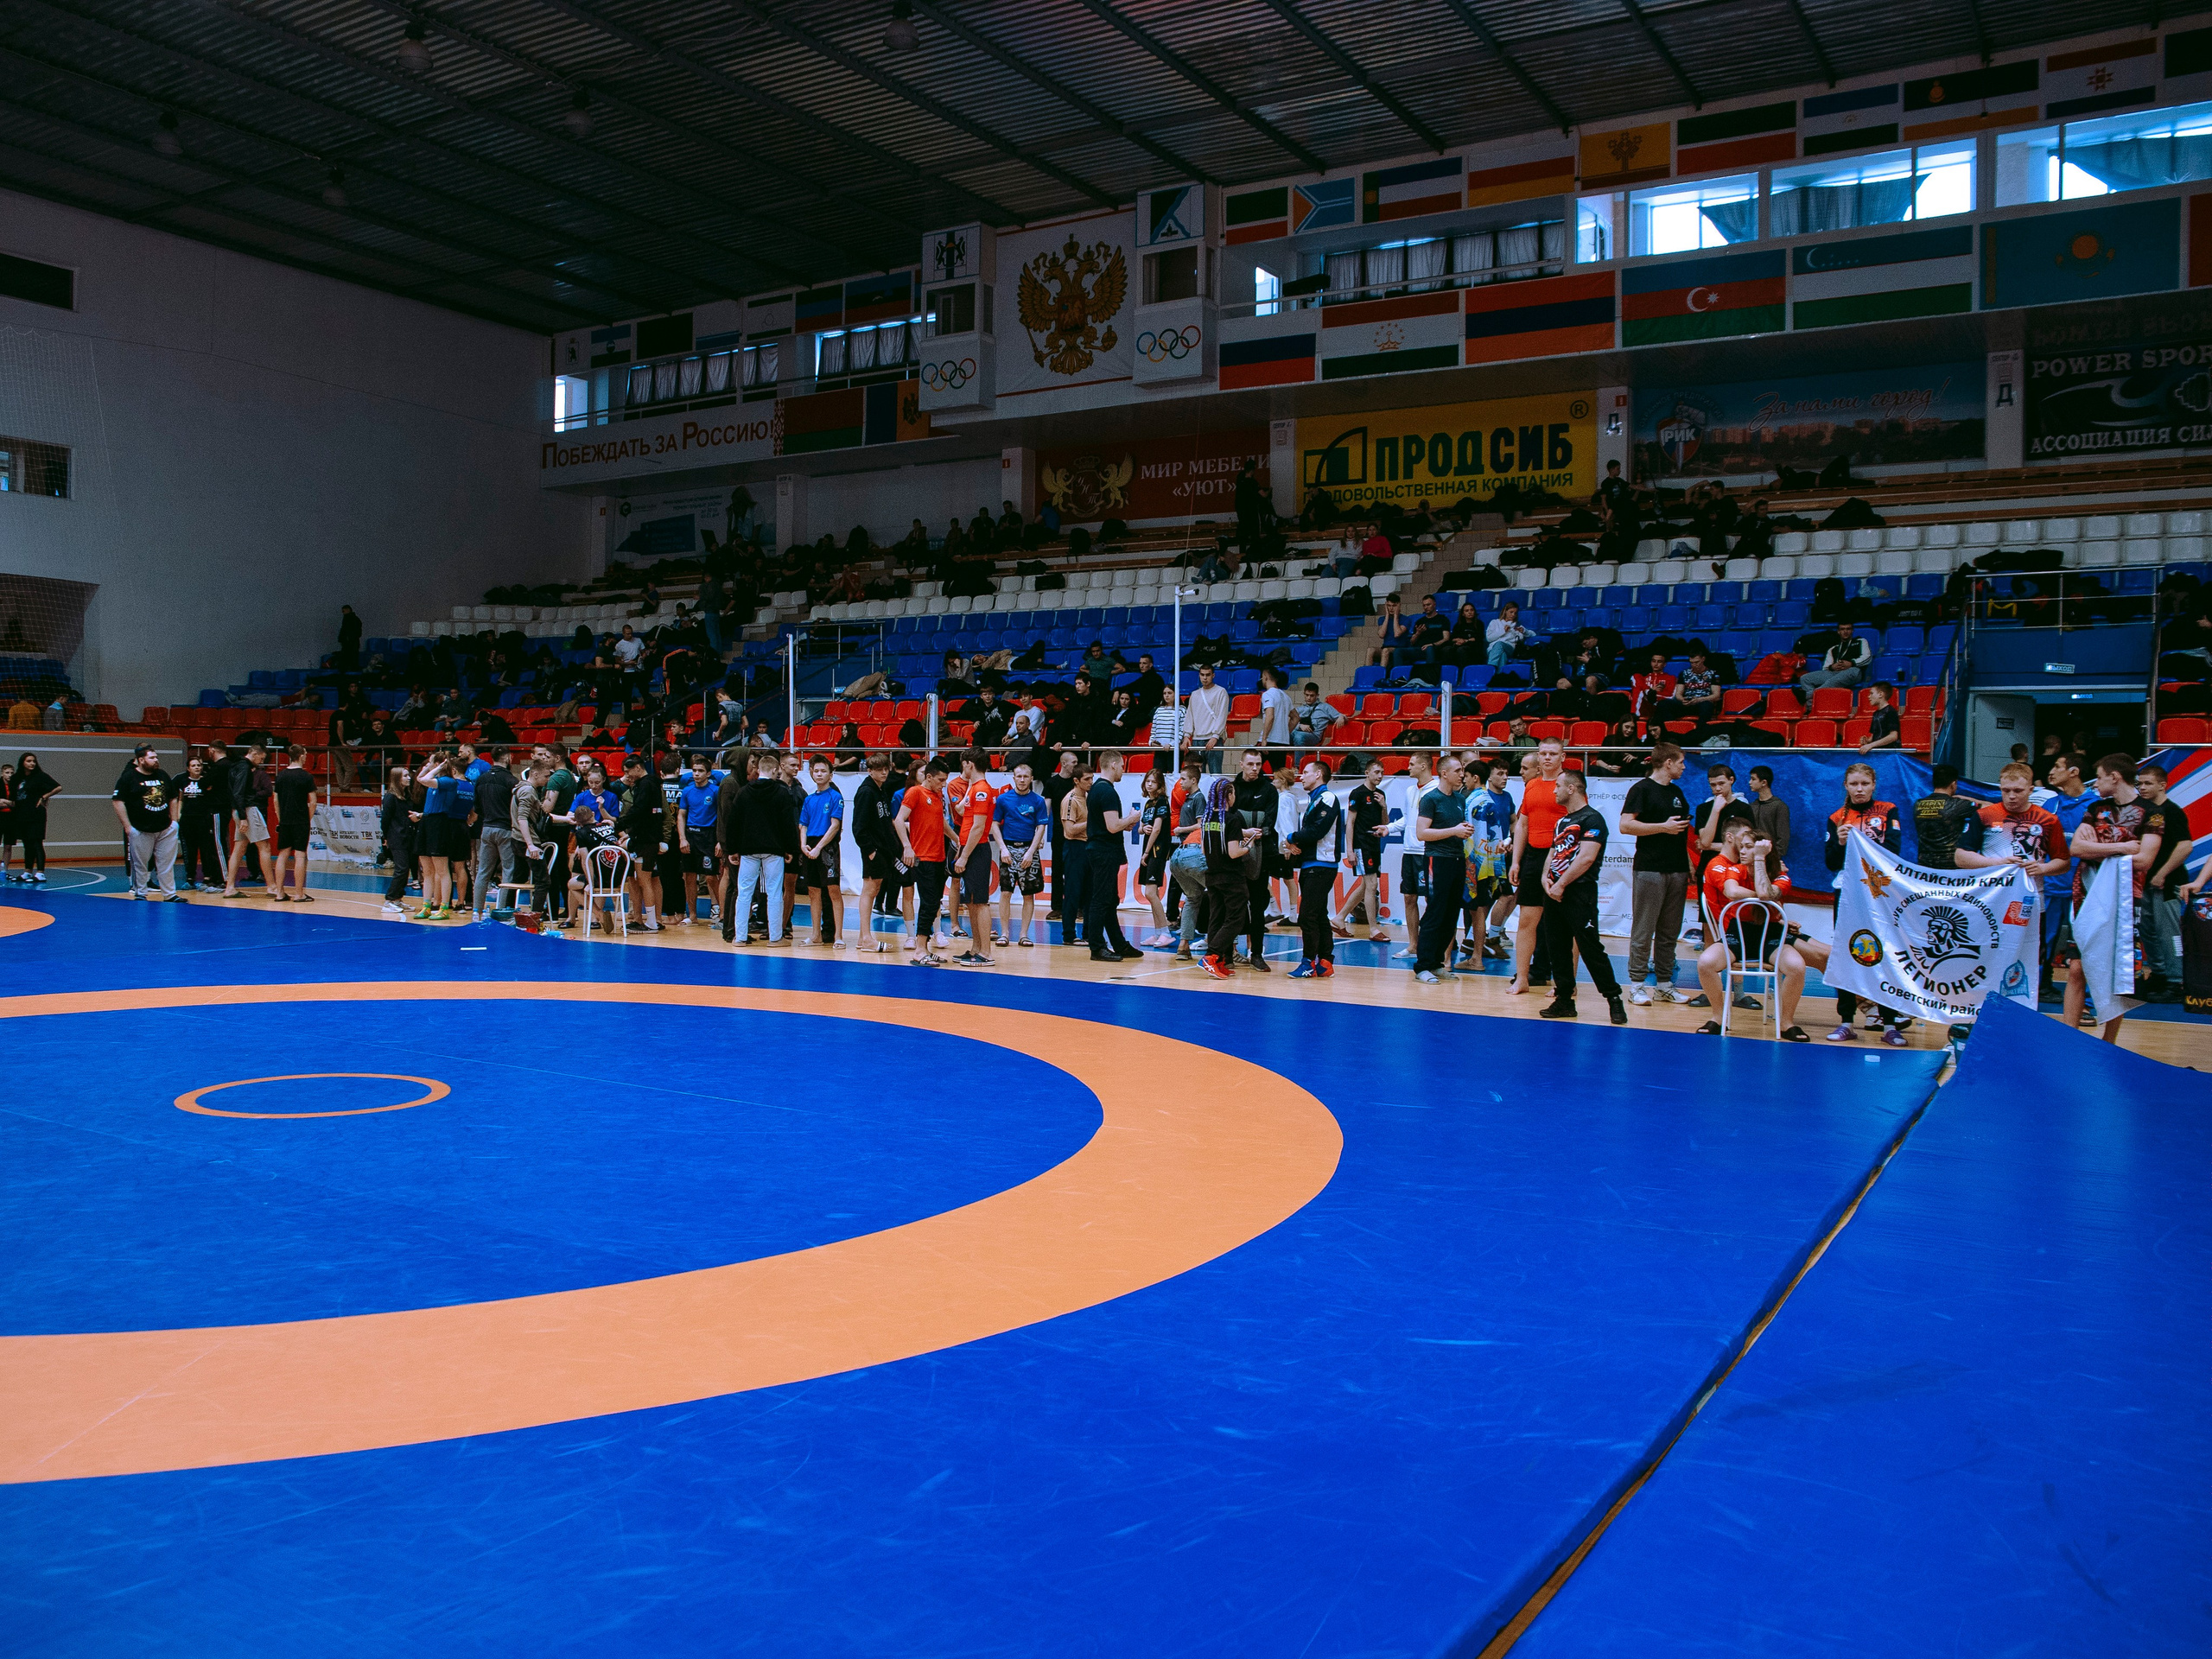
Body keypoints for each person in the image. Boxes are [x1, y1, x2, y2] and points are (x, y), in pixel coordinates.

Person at [2063, 754, 2161, 1041]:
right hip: (2085, 895)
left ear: (2115, 777)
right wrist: (2123, 847)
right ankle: (2070, 1038)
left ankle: (2109, 1041)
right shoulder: (2095, 809)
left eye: (2100, 775)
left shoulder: (2151, 813)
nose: (2096, 782)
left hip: (2125, 901)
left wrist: (2104, 849)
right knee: (2076, 967)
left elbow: (2143, 859)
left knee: (2114, 972)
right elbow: (2078, 848)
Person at [1691, 817, 1812, 1041]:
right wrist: (1766, 901)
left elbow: (1767, 892)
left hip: (1771, 937)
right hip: (1739, 935)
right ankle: (1719, 1018)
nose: (1742, 851)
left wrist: (1759, 862)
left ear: (1764, 853)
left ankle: (1787, 1024)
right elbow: (1732, 892)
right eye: (1742, 846)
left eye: (1749, 848)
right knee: (1706, 963)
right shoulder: (1734, 870)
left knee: (1797, 967)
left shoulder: (1781, 875)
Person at [1822, 761, 1909, 1045]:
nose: (1859, 789)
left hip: (1880, 894)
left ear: (1874, 785)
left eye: (1865, 784)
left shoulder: (1888, 811)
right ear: (1845, 787)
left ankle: (1890, 1024)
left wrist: (1863, 841)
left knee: (1886, 954)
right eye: (1854, 784)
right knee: (1847, 954)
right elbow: (1831, 863)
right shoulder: (1837, 817)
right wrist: (1839, 843)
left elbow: (1894, 851)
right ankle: (1846, 1021)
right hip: (1847, 895)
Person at [1536, 767, 1628, 1022]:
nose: (1554, 791)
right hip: (1554, 892)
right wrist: (1546, 878)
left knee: (1590, 948)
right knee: (1557, 947)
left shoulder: (1592, 819)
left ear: (1571, 788)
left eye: (1557, 786)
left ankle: (1614, 999)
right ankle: (1564, 1000)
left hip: (1579, 892)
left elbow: (1586, 858)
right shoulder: (1562, 821)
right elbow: (1554, 852)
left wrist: (1562, 884)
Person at [1619, 741, 1693, 1004]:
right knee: (1643, 929)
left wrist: (1689, 864)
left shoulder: (1677, 792)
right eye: (1681, 761)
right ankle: (1637, 985)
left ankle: (1664, 984)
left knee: (1669, 932)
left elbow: (1681, 831)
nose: (1684, 766)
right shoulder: (1641, 789)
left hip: (1677, 869)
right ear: (1668, 762)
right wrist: (1662, 827)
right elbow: (1625, 825)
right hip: (1649, 868)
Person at [2031, 751, 2098, 1001]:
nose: (2051, 772)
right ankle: (2040, 986)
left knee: (2086, 940)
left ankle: (2091, 997)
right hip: (2051, 883)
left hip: (2084, 886)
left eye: (2058, 766)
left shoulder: (2094, 805)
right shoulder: (2051, 804)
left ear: (2074, 772)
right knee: (2042, 939)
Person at [1506, 737, 1567, 994]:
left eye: (1553, 754)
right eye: (1543, 754)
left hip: (1561, 859)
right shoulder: (1531, 785)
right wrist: (1516, 861)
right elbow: (1522, 824)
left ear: (1563, 757)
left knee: (1561, 923)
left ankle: (1565, 982)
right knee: (1527, 921)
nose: (1547, 758)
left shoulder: (1570, 785)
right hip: (1533, 855)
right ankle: (1522, 978)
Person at [721, 752, 799, 947]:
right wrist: (791, 848)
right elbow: (788, 824)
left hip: (748, 850)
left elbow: (733, 823)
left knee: (744, 893)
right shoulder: (782, 793)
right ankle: (775, 938)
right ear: (775, 770)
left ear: (759, 770)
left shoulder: (744, 792)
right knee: (774, 893)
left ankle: (739, 938)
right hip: (774, 850)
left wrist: (732, 849)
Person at [2133, 762, 2192, 1002]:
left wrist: (2163, 873)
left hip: (2167, 883)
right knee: (2148, 931)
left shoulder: (2172, 811)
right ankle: (2159, 973)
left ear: (2162, 785)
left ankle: (2176, 981)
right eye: (2140, 783)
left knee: (2169, 932)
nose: (2143, 788)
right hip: (2144, 882)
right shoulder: (2144, 812)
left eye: (2148, 783)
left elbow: (2185, 846)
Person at [1413, 755, 1474, 983]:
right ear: (1444, 773)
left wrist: (1463, 830)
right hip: (1436, 860)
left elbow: (1456, 829)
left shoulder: (1459, 799)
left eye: (1462, 770)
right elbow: (1422, 833)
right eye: (1458, 770)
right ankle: (1422, 966)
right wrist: (1454, 830)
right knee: (1435, 912)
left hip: (1457, 860)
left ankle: (1437, 963)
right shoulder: (1431, 799)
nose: (1461, 774)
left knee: (1451, 915)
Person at [1285, 758, 1347, 979]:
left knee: (1308, 916)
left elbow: (1317, 831)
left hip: (1321, 865)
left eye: (1306, 772)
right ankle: (1326, 961)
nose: (1302, 776)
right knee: (1319, 914)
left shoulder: (1328, 798)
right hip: (1313, 864)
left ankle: (1308, 962)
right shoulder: (1315, 799)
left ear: (1319, 774)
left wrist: (1292, 837)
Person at [1081, 751, 1142, 962]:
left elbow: (1109, 825)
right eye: (1123, 766)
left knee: (1109, 899)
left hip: (1101, 849)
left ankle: (1119, 944)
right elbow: (1113, 826)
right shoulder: (1106, 792)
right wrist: (1132, 818)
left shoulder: (1098, 789)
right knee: (1101, 899)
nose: (1124, 771)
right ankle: (1097, 947)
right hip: (1104, 852)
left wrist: (1124, 824)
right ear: (1114, 764)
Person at [1199, 771, 1261, 979]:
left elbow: (1204, 849)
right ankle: (1212, 955)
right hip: (1231, 877)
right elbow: (1234, 852)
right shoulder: (1232, 819)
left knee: (1216, 918)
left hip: (1213, 875)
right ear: (1229, 796)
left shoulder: (1208, 819)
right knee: (1236, 919)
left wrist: (1242, 833)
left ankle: (1219, 961)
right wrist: (1249, 844)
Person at [1225, 747, 1280, 968]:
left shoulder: (1269, 790)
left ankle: (1256, 953)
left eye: (1258, 764)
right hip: (1233, 856)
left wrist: (1244, 823)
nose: (1255, 768)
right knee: (1233, 907)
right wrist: (1247, 827)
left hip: (1261, 856)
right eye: (1250, 764)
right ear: (1241, 764)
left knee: (1258, 908)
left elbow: (1268, 823)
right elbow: (1228, 819)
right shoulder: (1232, 789)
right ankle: (1229, 953)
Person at [894, 756, 951, 963]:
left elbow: (941, 822)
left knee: (934, 903)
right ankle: (919, 950)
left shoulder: (937, 795)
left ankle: (924, 948)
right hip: (923, 857)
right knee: (928, 904)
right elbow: (899, 820)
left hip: (938, 856)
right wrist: (907, 847)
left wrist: (956, 839)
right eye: (940, 780)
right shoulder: (915, 792)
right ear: (929, 777)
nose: (943, 784)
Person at [989, 760, 1051, 949]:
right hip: (1008, 849)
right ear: (1013, 777)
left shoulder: (1038, 801)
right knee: (1005, 892)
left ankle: (1024, 934)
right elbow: (994, 824)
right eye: (1019, 776)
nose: (1022, 780)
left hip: (1028, 850)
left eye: (1026, 777)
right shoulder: (1003, 799)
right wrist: (1003, 848)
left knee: (1028, 895)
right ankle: (1005, 933)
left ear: (1031, 779)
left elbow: (1041, 827)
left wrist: (1031, 852)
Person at [111, 742, 182, 901]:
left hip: (165, 828)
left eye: (156, 757)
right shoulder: (129, 777)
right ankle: (141, 893)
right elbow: (117, 801)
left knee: (166, 864)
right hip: (141, 829)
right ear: (141, 760)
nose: (156, 760)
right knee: (140, 865)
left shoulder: (162, 775)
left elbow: (173, 797)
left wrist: (174, 822)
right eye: (152, 758)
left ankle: (170, 894)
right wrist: (128, 827)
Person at [949, 749, 997, 965]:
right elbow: (960, 813)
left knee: (980, 902)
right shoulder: (974, 789)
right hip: (969, 847)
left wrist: (964, 857)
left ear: (969, 764)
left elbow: (978, 828)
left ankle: (986, 952)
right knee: (971, 902)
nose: (962, 770)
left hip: (977, 849)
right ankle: (976, 947)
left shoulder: (982, 791)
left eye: (963, 765)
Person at [1334, 759, 1389, 940]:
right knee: (1372, 885)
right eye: (1376, 772)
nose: (1379, 776)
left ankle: (1339, 918)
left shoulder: (1380, 794)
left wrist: (1384, 807)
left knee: (1366, 885)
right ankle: (1374, 929)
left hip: (1375, 844)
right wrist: (1349, 850)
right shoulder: (1357, 793)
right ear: (1367, 773)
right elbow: (1349, 823)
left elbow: (1385, 823)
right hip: (1361, 844)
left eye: (1381, 772)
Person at [797, 755, 844, 945]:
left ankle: (838, 936)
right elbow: (803, 824)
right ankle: (816, 934)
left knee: (833, 890)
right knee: (813, 891)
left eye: (823, 771)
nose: (819, 774)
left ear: (831, 775)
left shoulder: (835, 796)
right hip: (810, 845)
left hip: (827, 847)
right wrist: (803, 845)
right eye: (816, 771)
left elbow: (834, 826)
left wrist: (818, 848)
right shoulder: (809, 799)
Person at [1393, 751, 1436, 962]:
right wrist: (1388, 828)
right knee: (1409, 897)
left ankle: (1430, 944)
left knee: (1430, 898)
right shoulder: (1410, 790)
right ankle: (1413, 944)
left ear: (1424, 766)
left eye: (1411, 764)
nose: (1408, 767)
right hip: (1409, 851)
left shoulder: (1436, 790)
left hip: (1426, 851)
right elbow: (1406, 819)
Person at [220, 743, 274, 899]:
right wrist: (244, 817)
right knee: (264, 846)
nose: (261, 762)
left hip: (238, 810)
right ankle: (272, 887)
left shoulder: (235, 765)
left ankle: (230, 887)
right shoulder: (244, 768)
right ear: (255, 753)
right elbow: (238, 793)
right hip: (247, 810)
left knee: (239, 848)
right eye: (261, 758)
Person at [674, 756, 722, 927]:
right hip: (691, 834)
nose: (696, 774)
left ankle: (721, 913)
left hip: (709, 836)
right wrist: (682, 838)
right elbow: (681, 815)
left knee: (710, 877)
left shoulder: (715, 791)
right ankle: (692, 915)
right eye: (694, 770)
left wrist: (720, 841)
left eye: (700, 771)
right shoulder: (687, 791)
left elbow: (722, 817)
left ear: (708, 773)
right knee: (688, 876)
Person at [473, 748, 520, 918]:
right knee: (508, 870)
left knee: (483, 871)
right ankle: (501, 910)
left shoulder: (481, 778)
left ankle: (476, 910)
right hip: (506, 829)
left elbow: (477, 807)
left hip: (486, 828)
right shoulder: (511, 779)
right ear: (508, 757)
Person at [266, 745, 317, 905]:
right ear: (301, 756)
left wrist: (281, 819)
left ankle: (280, 893)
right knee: (300, 855)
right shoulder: (307, 777)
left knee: (282, 854)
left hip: (286, 821)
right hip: (301, 820)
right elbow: (313, 801)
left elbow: (275, 800)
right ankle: (299, 894)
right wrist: (307, 819)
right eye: (306, 754)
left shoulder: (280, 776)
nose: (307, 756)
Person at [410, 751, 457, 918]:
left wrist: (438, 768)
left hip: (439, 823)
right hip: (428, 822)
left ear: (440, 764)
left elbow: (423, 779)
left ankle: (444, 907)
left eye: (431, 763)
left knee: (442, 870)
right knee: (427, 870)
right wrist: (431, 766)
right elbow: (419, 778)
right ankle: (426, 906)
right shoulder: (435, 782)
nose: (428, 766)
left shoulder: (448, 781)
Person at [1911, 764, 1980, 870]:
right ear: (1954, 784)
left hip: (1925, 867)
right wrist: (1965, 798)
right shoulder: (1958, 805)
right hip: (1952, 867)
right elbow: (1990, 807)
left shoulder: (1918, 804)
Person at [1134, 766, 1173, 947]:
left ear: (1160, 785)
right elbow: (1143, 827)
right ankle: (1158, 932)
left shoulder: (1162, 802)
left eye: (1153, 782)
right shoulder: (1148, 803)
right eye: (1147, 781)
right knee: (1152, 893)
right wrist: (1142, 829)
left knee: (1150, 892)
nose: (1150, 784)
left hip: (1157, 850)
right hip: (1149, 849)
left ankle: (1165, 931)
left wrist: (1147, 852)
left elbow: (1157, 828)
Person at [174, 756, 224, 892]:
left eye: (199, 765)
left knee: (206, 849)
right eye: (194, 765)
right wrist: (178, 816)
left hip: (203, 820)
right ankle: (190, 878)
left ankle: (207, 876)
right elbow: (180, 799)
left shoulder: (206, 781)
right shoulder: (183, 781)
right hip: (187, 820)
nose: (197, 767)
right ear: (188, 768)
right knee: (189, 850)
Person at [378, 764, 417, 913]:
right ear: (397, 779)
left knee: (405, 869)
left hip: (408, 836)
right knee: (401, 869)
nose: (409, 778)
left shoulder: (406, 796)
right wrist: (386, 837)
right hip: (396, 837)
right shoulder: (390, 797)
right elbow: (385, 820)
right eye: (405, 776)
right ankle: (389, 900)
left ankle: (398, 899)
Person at [1800, 620, 1872, 690]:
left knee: (1843, 675)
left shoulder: (1861, 641)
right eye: (1842, 629)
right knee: (1804, 678)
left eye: (1848, 629)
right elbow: (1825, 668)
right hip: (1835, 673)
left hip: (1854, 671)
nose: (1845, 631)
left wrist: (1851, 663)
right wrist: (1832, 667)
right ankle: (1811, 700)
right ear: (1838, 631)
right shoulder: (1833, 648)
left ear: (1852, 630)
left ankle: (1812, 694)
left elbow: (1867, 657)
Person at [1187, 664, 1230, 768]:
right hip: (1197, 739)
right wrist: (1186, 735)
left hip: (1213, 738)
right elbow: (1190, 715)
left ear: (1213, 675)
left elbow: (1222, 715)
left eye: (1208, 675)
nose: (1205, 678)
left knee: (1215, 773)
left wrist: (1215, 736)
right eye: (1202, 675)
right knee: (1196, 774)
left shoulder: (1221, 692)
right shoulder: (1194, 694)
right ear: (1199, 675)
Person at [1745, 765, 1789, 861]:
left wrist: (1774, 857)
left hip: (1771, 858)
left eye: (1753, 779)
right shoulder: (1752, 806)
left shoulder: (1779, 806)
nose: (1750, 782)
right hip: (1752, 857)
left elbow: (1783, 836)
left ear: (1764, 782)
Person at [1288, 683, 1342, 754]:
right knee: (1281, 735)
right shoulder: (1300, 709)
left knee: (1299, 737)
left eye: (1312, 695)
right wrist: (1300, 726)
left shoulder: (1325, 707)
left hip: (1314, 736)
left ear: (1317, 695)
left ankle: (1298, 765)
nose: (1308, 698)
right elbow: (1289, 724)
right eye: (1307, 695)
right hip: (1296, 733)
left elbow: (1340, 716)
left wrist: (1341, 717)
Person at [1486, 601, 1529, 671]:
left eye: (1515, 613)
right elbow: (1489, 638)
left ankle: (1490, 667)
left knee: (1499, 644)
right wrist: (1503, 631)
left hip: (1510, 648)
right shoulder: (1494, 622)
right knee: (1502, 655)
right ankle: (1499, 678)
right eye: (1511, 612)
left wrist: (1524, 631)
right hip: (1493, 650)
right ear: (1505, 611)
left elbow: (1533, 635)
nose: (1513, 615)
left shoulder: (1516, 626)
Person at [1373, 594, 1410, 671]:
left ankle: (1380, 676)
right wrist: (1387, 615)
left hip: (1398, 648)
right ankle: (1368, 676)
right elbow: (1381, 635)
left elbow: (1397, 634)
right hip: (1385, 647)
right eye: (1389, 606)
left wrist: (1396, 616)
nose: (1391, 608)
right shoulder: (1382, 619)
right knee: (1370, 650)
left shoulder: (1406, 619)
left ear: (1399, 605)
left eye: (1394, 606)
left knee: (1385, 651)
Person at [337, 603, 362, 673]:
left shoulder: (348, 619)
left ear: (348, 610)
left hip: (349, 642)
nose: (343, 613)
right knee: (352, 657)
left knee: (347, 657)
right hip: (352, 642)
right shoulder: (355, 619)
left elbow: (346, 631)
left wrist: (344, 639)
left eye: (343, 611)